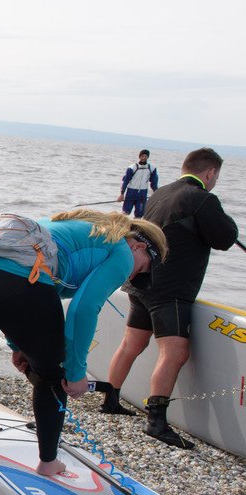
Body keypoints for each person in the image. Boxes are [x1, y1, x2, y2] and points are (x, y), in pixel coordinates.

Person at [0, 210, 167, 495]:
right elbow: (83, 309)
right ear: (139, 245)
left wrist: (17, 345)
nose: (134, 276)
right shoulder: (122, 250)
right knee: (53, 377)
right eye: (143, 269)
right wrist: (75, 372)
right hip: (20, 282)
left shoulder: (77, 227)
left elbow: (9, 272)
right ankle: (48, 462)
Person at [100, 148, 239, 448]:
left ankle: (110, 399)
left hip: (140, 281)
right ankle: (156, 421)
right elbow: (225, 238)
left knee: (132, 343)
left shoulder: (161, 192)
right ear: (210, 172)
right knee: (175, 353)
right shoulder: (202, 198)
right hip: (171, 288)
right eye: (216, 177)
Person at [117, 149, 159, 218]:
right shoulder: (132, 167)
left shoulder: (152, 168)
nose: (144, 158)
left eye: (146, 156)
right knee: (126, 212)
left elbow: (154, 182)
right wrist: (122, 194)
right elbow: (126, 181)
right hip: (131, 192)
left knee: (140, 213)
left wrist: (156, 192)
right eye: (142, 156)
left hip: (142, 194)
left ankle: (136, 224)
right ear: (139, 157)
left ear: (148, 157)